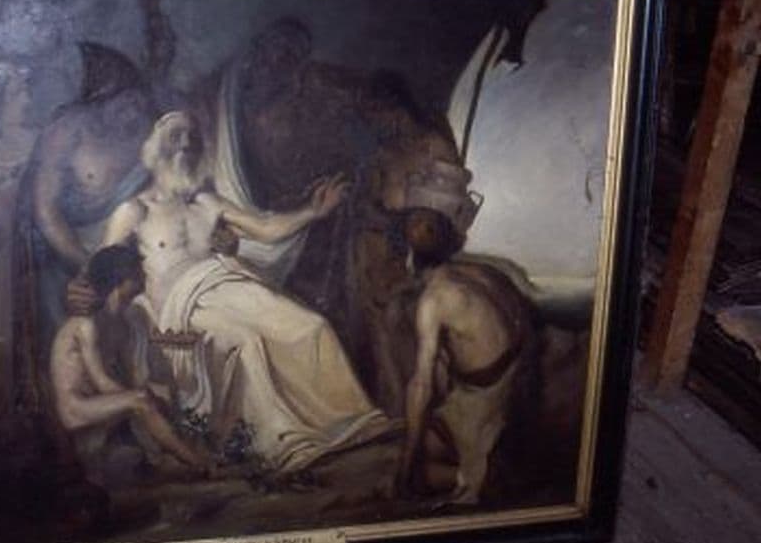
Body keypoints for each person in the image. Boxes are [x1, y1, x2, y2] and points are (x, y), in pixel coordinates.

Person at [96, 110, 391, 474]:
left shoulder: (207, 203)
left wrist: (313, 212)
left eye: (192, 138)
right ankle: (285, 442)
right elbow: (102, 269)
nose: (186, 144)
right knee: (247, 343)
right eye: (176, 136)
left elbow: (266, 229)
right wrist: (119, 312)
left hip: (228, 284)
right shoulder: (133, 210)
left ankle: (349, 422)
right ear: (155, 149)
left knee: (311, 325)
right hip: (180, 309)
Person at [396, 208, 537, 504]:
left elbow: (422, 384)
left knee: (417, 462)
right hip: (512, 381)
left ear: (409, 257)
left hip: (485, 402)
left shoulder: (434, 300)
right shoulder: (478, 272)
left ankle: (476, 475)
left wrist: (407, 462)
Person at [49, 244, 210, 477]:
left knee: (154, 395)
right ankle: (197, 463)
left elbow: (130, 376)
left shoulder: (121, 325)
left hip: (101, 404)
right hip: (76, 409)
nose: (144, 277)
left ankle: (168, 457)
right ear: (120, 280)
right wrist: (144, 398)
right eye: (137, 273)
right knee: (141, 399)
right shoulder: (85, 324)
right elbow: (102, 382)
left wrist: (156, 397)